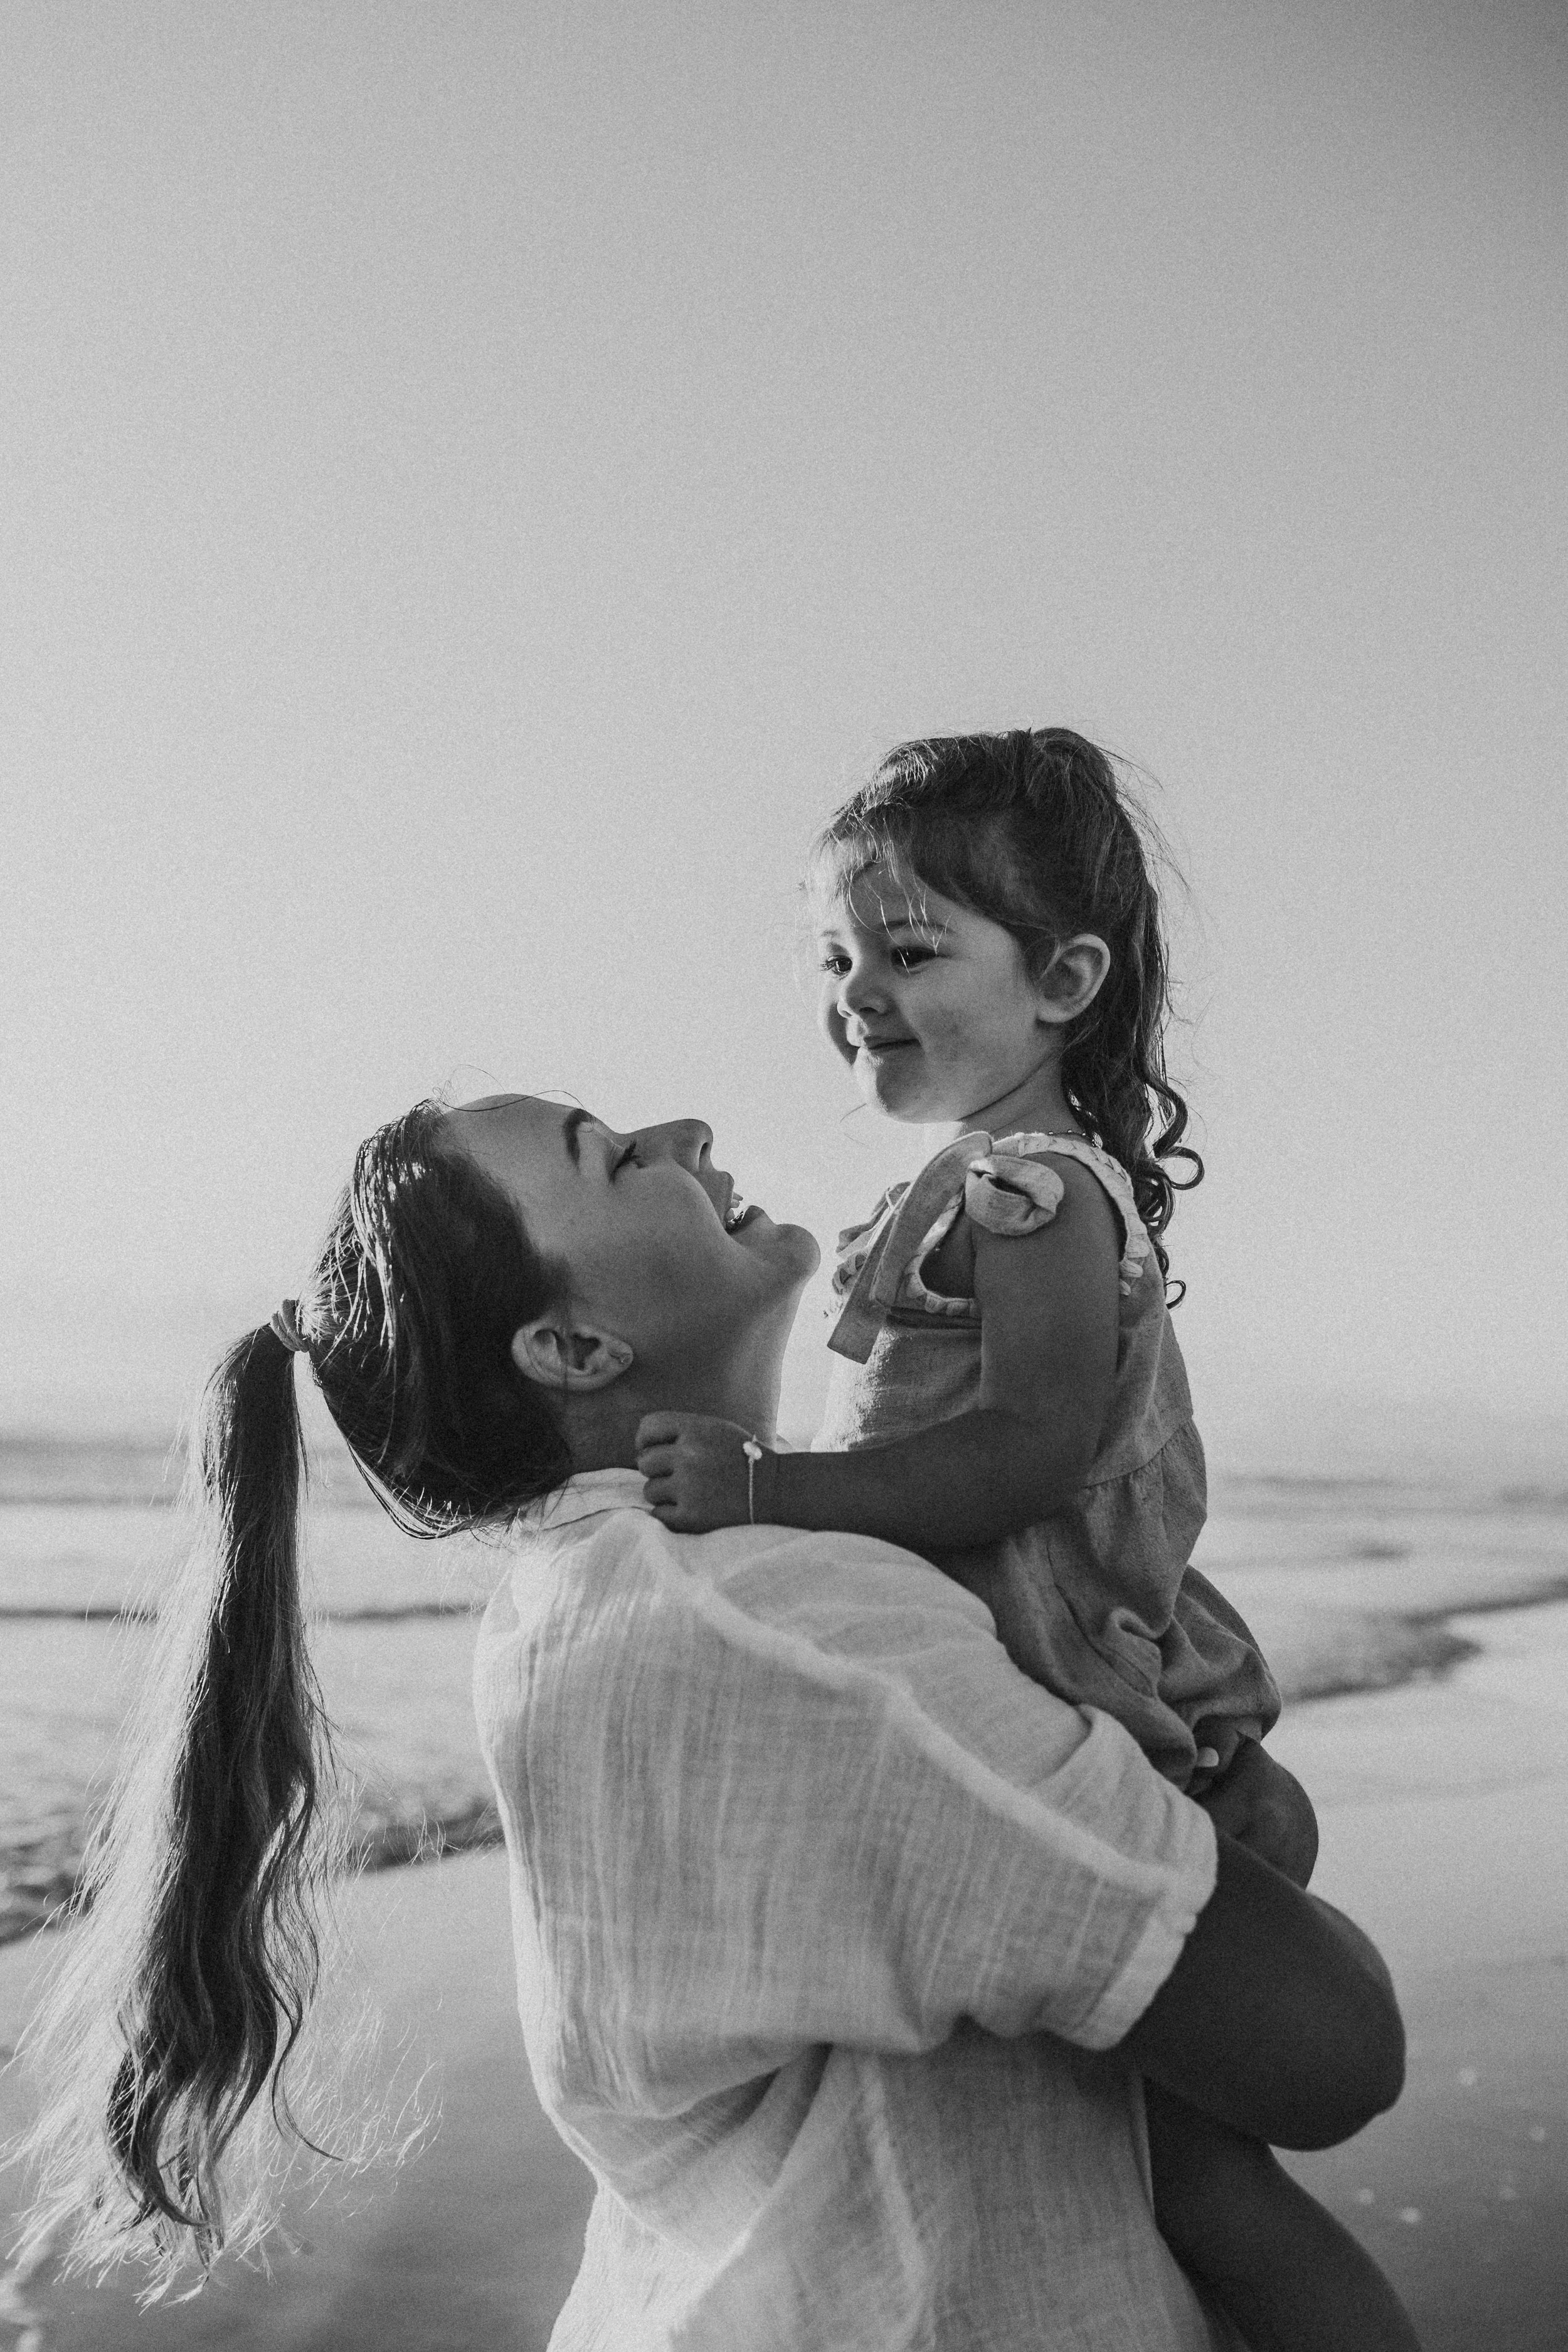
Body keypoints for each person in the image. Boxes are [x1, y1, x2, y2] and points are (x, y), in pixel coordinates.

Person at [16, 1091, 1407, 2352]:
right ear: (572, 1346)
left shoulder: (586, 1598)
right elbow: (1330, 2053)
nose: (680, 1128)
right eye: (616, 1158)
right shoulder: (785, 1624)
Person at [633, 729, 1419, 2351]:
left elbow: (1023, 1449)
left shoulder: (1035, 1189)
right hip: (1074, 1716)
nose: (859, 985)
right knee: (1158, 2185)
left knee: (1209, 2189)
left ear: (1064, 975)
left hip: (1121, 1728)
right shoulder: (949, 1188)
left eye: (911, 948)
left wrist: (766, 1485)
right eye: (839, 951)